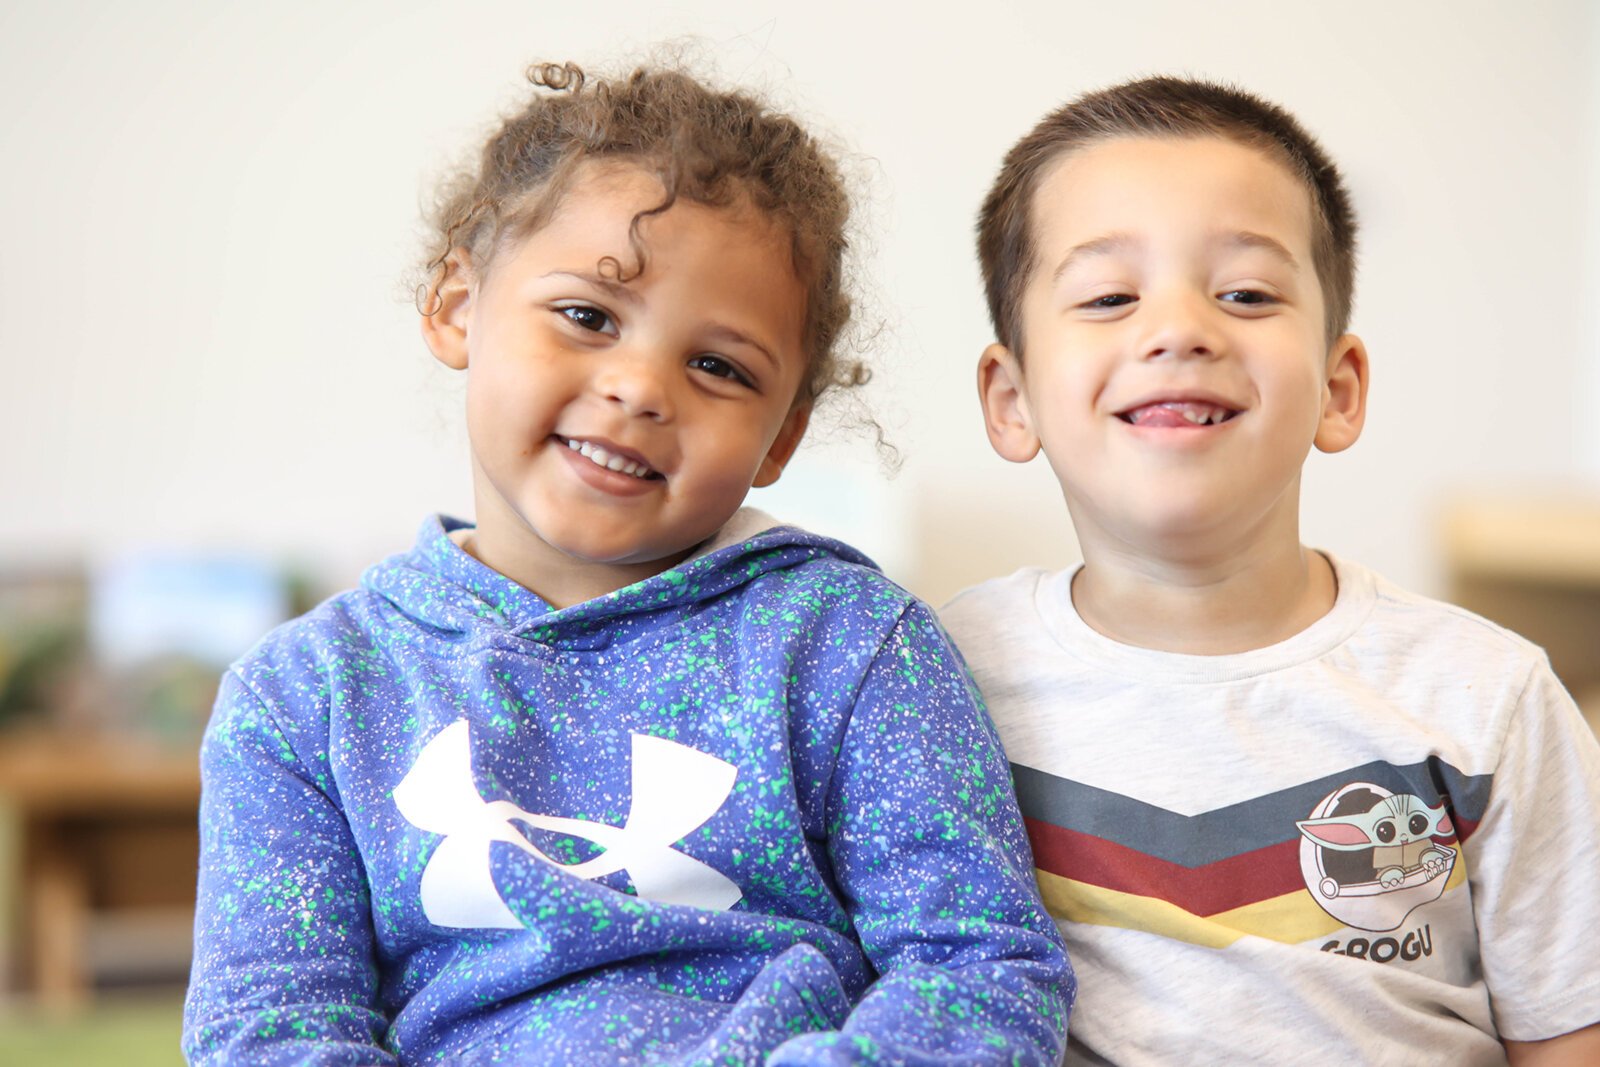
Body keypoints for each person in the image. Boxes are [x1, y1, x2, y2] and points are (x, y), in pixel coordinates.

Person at [183, 61, 1072, 1066]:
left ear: (782, 437)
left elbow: (980, 972)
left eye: (719, 367)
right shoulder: (301, 695)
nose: (641, 387)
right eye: (588, 316)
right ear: (455, 305)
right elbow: (267, 1030)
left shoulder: (853, 645)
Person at [940, 76, 1600, 1065]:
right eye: (1109, 295)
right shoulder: (933, 678)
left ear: (1338, 388)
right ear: (1011, 397)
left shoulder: (1485, 697)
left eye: (1245, 292)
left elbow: (1564, 1033)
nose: (1179, 328)